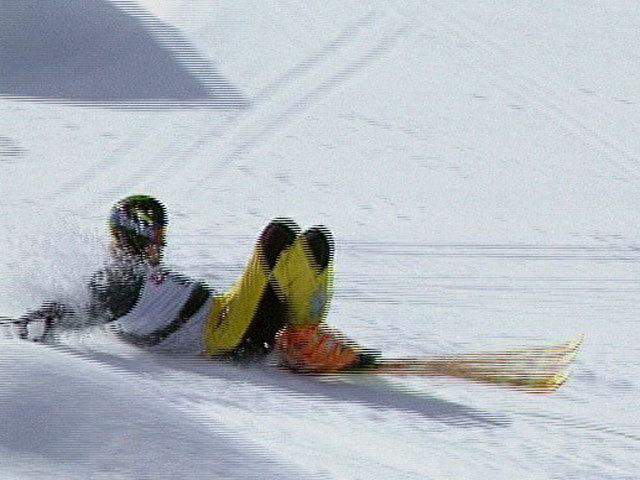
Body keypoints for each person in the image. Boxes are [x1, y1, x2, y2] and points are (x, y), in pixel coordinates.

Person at [9, 195, 377, 372]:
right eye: (157, 236)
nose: (162, 244)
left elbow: (85, 302)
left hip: (230, 313)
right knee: (278, 236)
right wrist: (42, 321)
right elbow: (89, 309)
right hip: (225, 335)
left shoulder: (126, 274)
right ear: (138, 236)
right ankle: (304, 342)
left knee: (311, 243)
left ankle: (303, 336)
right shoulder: (121, 282)